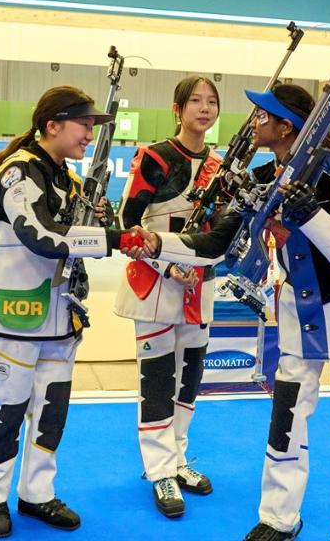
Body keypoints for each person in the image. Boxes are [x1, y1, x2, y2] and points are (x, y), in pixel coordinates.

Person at [123, 84, 330, 541]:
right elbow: (214, 244)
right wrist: (156, 243)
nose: (255, 123)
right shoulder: (264, 178)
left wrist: (312, 215)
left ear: (286, 126)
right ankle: (278, 518)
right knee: (285, 423)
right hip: (299, 317)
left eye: (263, 116)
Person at [0, 85, 130, 538]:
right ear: (52, 125)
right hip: (13, 314)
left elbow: (80, 234)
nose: (89, 134)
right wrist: (110, 239)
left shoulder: (70, 180)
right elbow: (41, 235)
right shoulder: (17, 172)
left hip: (61, 316)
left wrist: (101, 218)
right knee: (8, 410)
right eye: (84, 124)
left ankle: (37, 493)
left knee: (51, 412)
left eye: (93, 126)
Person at [113, 75, 222, 518]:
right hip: (156, 284)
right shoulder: (154, 157)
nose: (204, 108)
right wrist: (168, 264)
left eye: (211, 101)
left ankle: (178, 458)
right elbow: (128, 222)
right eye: (195, 100)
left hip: (200, 284)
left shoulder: (221, 167)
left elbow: (224, 230)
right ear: (177, 109)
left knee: (189, 377)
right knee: (157, 379)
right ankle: (159, 470)